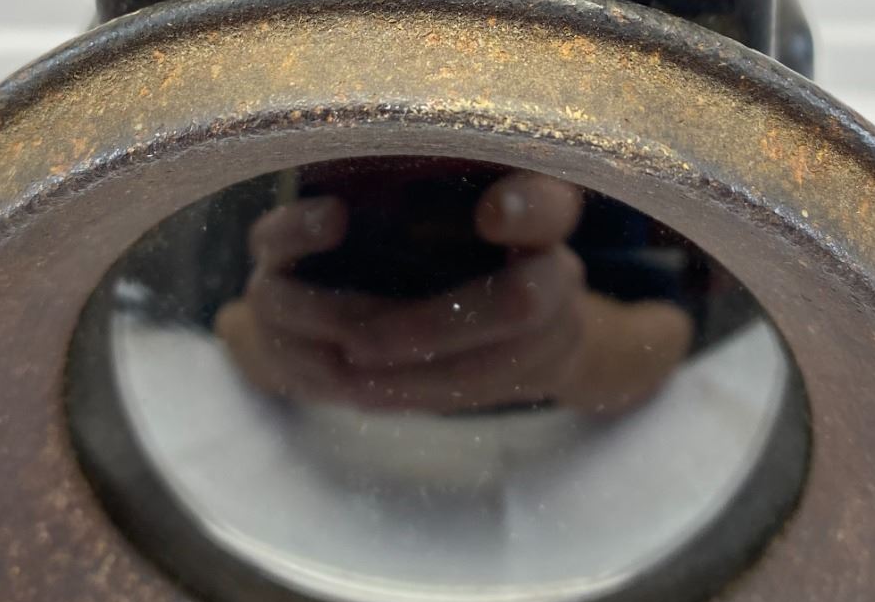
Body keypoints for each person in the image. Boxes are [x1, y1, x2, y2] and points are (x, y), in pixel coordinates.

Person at [216, 165, 708, 418]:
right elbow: (210, 314)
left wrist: (579, 349)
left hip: (324, 481)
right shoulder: (284, 125)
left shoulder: (582, 148)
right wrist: (268, 339)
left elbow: (674, 324)